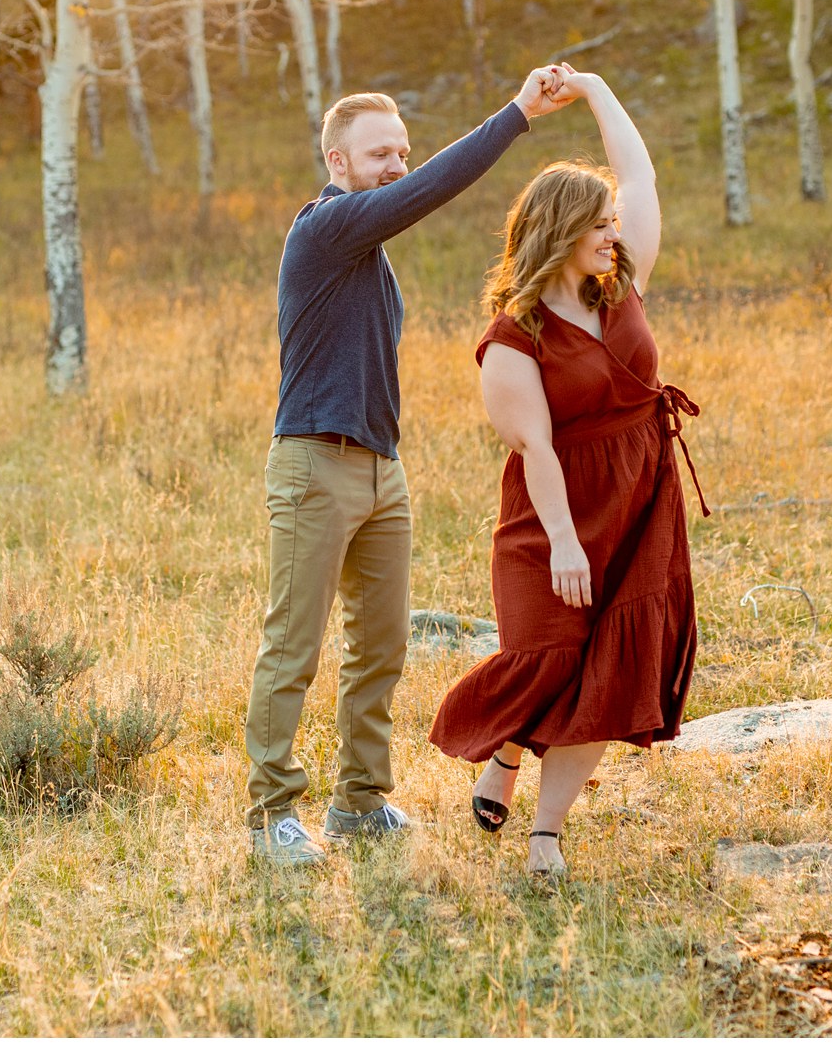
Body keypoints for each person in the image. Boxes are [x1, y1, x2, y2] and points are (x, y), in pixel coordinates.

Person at [247, 68, 581, 866]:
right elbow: (433, 187)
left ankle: (360, 800)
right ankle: (269, 816)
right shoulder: (324, 228)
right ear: (337, 161)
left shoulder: (368, 251)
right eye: (377, 155)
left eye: (401, 151)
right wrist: (517, 114)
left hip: (378, 472)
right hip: (312, 465)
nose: (396, 165)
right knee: (293, 644)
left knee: (381, 643)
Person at [427, 67, 705, 879]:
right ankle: (507, 741)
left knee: (614, 664)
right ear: (558, 228)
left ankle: (545, 830)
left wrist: (592, 89)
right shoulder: (513, 338)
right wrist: (563, 544)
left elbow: (640, 174)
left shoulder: (624, 289)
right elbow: (534, 449)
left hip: (640, 500)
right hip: (555, 514)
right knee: (548, 655)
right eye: (599, 225)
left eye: (615, 225)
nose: (613, 234)